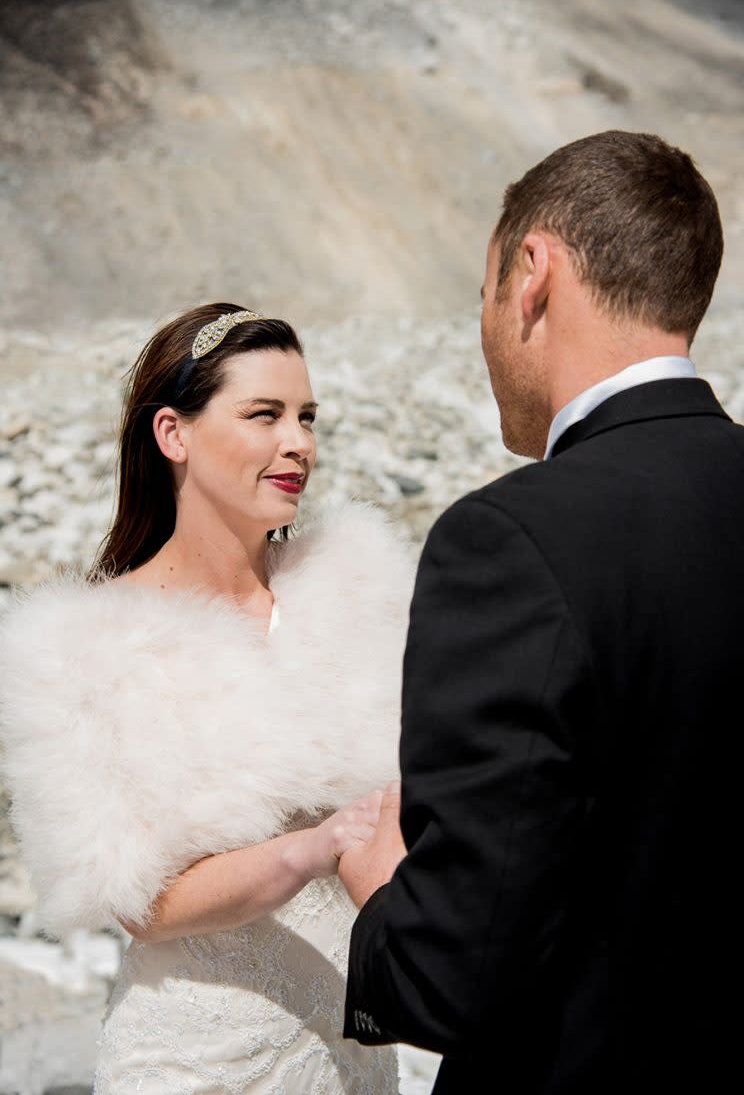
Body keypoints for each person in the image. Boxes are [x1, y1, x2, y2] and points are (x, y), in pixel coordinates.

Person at [339, 130, 739, 1093]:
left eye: (480, 295)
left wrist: (385, 896)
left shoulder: (511, 540)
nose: (482, 331)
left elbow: (458, 972)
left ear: (532, 274)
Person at [0, 304, 412, 1094]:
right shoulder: (82, 644)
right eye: (264, 415)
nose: (299, 443)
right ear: (173, 434)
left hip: (356, 1055)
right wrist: (310, 850)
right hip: (197, 1064)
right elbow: (139, 902)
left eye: (306, 416)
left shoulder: (358, 587)